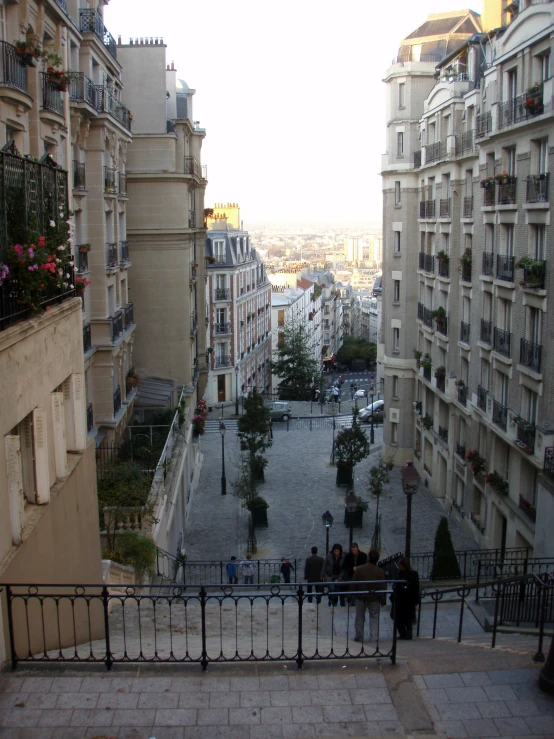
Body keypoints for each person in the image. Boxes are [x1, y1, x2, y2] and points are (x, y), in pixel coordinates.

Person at [351, 549, 386, 643]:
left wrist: (352, 595)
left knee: (359, 616)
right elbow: (382, 586)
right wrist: (383, 600)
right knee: (374, 617)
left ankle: (359, 635)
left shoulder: (359, 569)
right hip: (374, 597)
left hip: (360, 597)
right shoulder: (380, 571)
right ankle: (373, 637)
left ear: (368, 557)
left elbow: (354, 583)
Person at [390, 557, 421, 639]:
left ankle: (403, 634)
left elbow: (397, 586)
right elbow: (416, 587)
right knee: (408, 618)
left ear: (403, 566)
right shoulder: (414, 574)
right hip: (409, 599)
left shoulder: (400, 575)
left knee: (398, 618)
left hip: (401, 599)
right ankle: (408, 633)